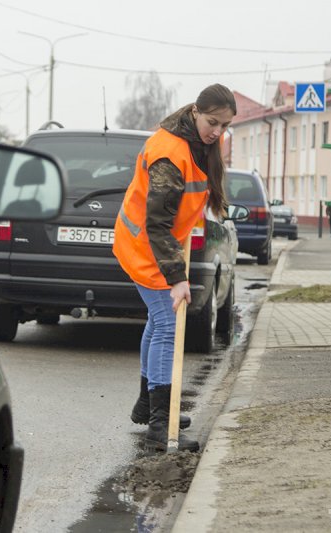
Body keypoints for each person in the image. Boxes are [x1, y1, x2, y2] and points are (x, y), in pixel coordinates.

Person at [112, 84, 235, 453]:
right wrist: (178, 279)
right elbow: (157, 223)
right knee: (166, 322)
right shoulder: (169, 153)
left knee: (157, 321)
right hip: (145, 247)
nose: (217, 132)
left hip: (154, 246)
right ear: (196, 111)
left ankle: (149, 406)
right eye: (212, 122)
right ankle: (160, 428)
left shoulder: (197, 143)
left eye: (224, 126)